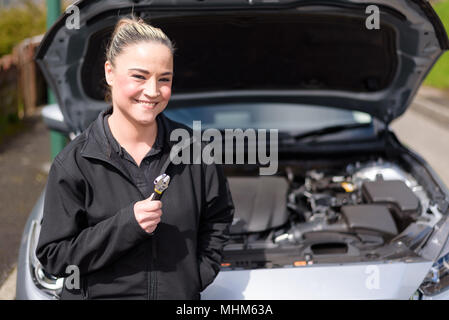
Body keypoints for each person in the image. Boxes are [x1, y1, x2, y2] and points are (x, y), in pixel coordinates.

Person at [36, 16, 235, 300]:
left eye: (164, 79)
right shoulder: (75, 163)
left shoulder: (196, 150)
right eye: (139, 76)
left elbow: (219, 216)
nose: (153, 91)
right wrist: (127, 225)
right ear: (109, 72)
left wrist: (196, 277)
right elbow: (54, 257)